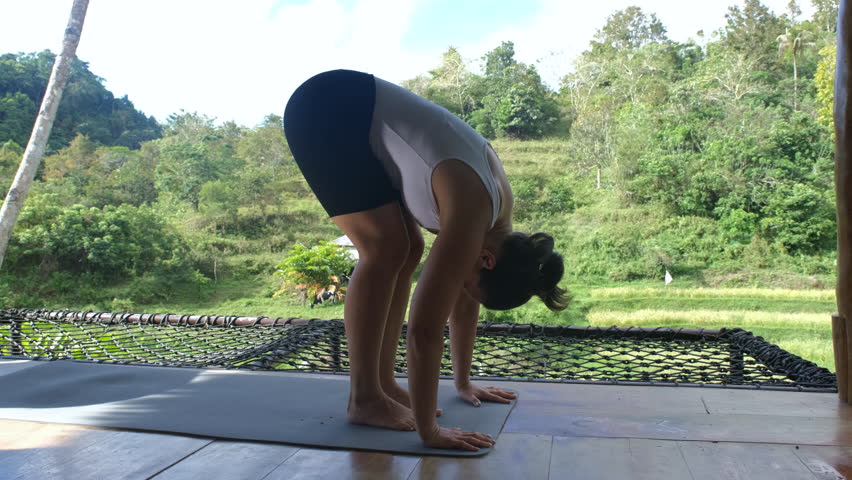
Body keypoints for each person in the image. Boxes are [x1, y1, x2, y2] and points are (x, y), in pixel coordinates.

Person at [283, 69, 569, 452]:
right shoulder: (472, 214)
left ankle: (383, 386)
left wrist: (463, 383)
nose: (460, 290)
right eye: (467, 283)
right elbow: (423, 330)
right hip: (328, 108)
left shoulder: (495, 224)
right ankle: (365, 398)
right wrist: (429, 433)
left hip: (349, 108)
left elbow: (465, 304)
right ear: (486, 260)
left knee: (406, 247)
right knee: (385, 247)